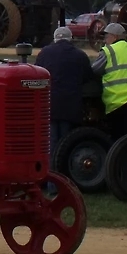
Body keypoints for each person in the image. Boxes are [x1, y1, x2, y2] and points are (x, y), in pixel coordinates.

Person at [35, 25, 93, 163]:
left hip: (50, 104)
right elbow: (88, 76)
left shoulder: (44, 53)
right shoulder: (80, 55)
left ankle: (51, 172)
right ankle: (63, 171)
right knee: (66, 143)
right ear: (70, 39)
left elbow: (37, 74)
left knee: (51, 141)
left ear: (55, 39)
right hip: (71, 105)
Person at [91, 22, 127, 140]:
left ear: (114, 37)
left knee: (119, 140)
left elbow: (94, 71)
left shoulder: (109, 51)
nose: (105, 40)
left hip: (117, 102)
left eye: (106, 36)